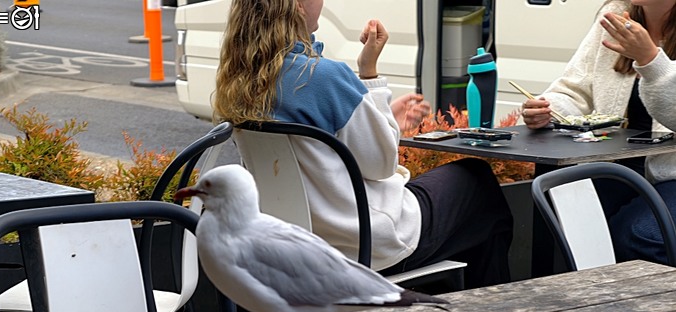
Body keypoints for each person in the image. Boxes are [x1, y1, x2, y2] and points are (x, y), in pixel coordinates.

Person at [213, 0, 513, 289]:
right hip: (365, 247)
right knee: (476, 179)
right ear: (295, 5)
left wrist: (382, 117)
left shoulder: (241, 80)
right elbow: (381, 164)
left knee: (469, 208)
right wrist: (369, 72)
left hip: (295, 246)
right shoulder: (323, 76)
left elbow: (325, 150)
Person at [522, 0, 676, 264]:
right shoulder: (615, 15)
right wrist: (548, 108)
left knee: (640, 235)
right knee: (568, 218)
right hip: (618, 167)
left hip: (670, 175)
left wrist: (651, 61)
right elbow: (574, 88)